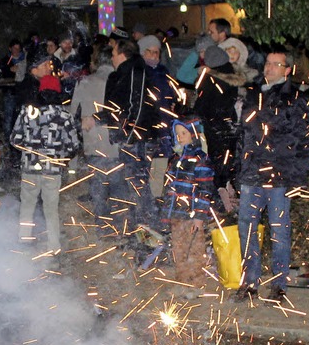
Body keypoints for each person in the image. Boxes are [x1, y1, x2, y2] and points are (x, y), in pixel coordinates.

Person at [233, 50, 309, 303]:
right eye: (267, 63)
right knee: (247, 231)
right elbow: (243, 136)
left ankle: (279, 284)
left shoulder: (296, 99)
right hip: (251, 175)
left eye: (274, 64)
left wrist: (297, 179)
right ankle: (249, 282)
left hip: (280, 177)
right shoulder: (253, 94)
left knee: (279, 233)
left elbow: (305, 141)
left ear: (287, 69)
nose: (268, 68)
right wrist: (238, 168)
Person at [84, 38, 157, 232]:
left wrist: (130, 136)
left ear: (123, 54)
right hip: (127, 140)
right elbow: (116, 109)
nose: (112, 56)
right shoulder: (122, 74)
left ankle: (147, 230)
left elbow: (138, 107)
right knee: (132, 187)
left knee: (138, 187)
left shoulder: (135, 72)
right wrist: (96, 119)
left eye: (114, 53)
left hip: (136, 142)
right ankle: (137, 229)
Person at [10, 74, 80, 263]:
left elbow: (14, 139)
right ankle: (53, 245)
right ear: (57, 92)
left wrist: (30, 149)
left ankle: (23, 240)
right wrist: (61, 157)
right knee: (51, 208)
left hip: (30, 167)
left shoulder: (27, 112)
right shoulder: (65, 116)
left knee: (27, 206)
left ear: (40, 91)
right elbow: (73, 145)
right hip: (52, 169)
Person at [162, 117, 217, 292]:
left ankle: (196, 284)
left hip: (193, 216)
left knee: (194, 251)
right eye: (177, 134)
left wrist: (200, 216)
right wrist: (167, 211)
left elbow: (205, 189)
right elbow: (169, 187)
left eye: (184, 133)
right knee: (179, 250)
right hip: (177, 214)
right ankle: (182, 282)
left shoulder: (200, 159)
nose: (180, 137)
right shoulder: (175, 159)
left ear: (194, 134)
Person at [69, 46, 120, 235]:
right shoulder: (121, 81)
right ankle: (121, 225)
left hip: (94, 142)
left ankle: (103, 227)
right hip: (117, 142)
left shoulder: (84, 82)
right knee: (118, 185)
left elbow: (74, 112)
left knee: (98, 185)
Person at [193, 45, 241, 190]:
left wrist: (185, 110)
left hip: (214, 126)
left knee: (216, 164)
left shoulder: (211, 79)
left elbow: (202, 105)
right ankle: (230, 197)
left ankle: (220, 199)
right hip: (229, 124)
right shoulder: (231, 74)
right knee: (228, 162)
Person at [137, 34, 177, 198]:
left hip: (163, 124)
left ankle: (156, 197)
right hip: (146, 126)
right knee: (144, 167)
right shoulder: (139, 72)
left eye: (156, 52)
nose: (154, 55)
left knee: (160, 164)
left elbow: (171, 95)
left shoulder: (163, 71)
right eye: (150, 52)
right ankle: (145, 199)